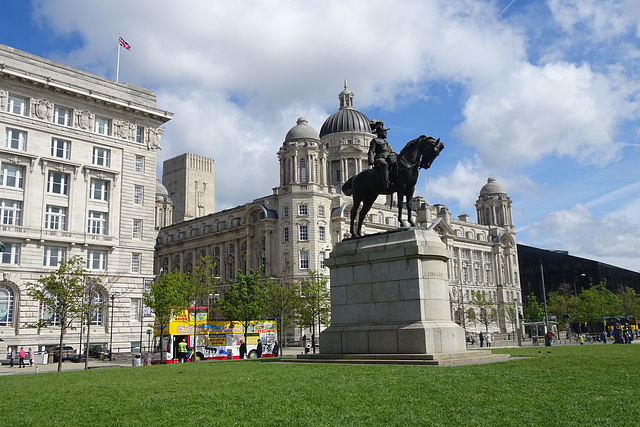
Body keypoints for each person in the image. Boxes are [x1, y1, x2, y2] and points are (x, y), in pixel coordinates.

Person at [367, 120, 397, 190]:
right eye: (384, 131)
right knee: (385, 165)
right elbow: (371, 151)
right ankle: (386, 184)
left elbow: (392, 151)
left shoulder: (386, 142)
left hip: (388, 158)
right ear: (380, 132)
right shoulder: (375, 141)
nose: (386, 133)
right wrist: (371, 160)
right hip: (379, 159)